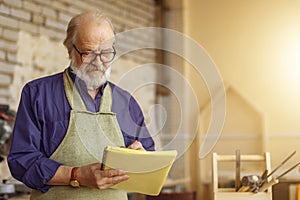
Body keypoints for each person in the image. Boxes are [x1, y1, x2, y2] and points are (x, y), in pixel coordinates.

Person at [7, 11, 155, 200]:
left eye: (107, 53)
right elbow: (22, 160)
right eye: (88, 53)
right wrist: (76, 175)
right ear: (70, 49)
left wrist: (142, 159)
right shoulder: (38, 94)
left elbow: (150, 159)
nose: (98, 62)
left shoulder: (126, 102)